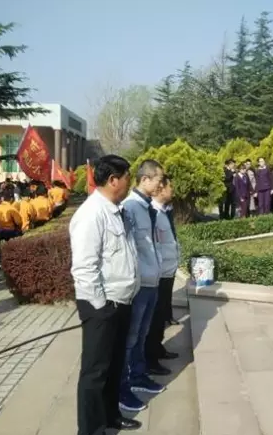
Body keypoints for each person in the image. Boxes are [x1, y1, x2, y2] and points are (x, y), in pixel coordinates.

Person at [70, 155, 141, 435]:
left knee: (114, 364)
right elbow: (84, 268)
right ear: (113, 180)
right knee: (95, 371)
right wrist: (101, 307)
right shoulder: (91, 214)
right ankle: (91, 429)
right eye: (127, 177)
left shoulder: (116, 210)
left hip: (121, 300)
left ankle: (111, 416)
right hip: (102, 305)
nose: (130, 183)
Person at [119, 159, 166, 414]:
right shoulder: (130, 207)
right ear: (145, 179)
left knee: (142, 335)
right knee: (130, 338)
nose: (161, 184)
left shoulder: (147, 206)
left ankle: (138, 376)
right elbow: (129, 248)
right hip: (139, 284)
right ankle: (122, 387)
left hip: (152, 280)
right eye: (158, 179)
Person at [145, 175, 180, 375]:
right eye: (169, 186)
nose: (172, 190)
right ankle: (150, 359)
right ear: (161, 189)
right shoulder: (152, 213)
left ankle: (158, 348)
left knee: (162, 316)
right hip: (159, 273)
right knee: (155, 318)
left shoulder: (164, 211)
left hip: (168, 271)